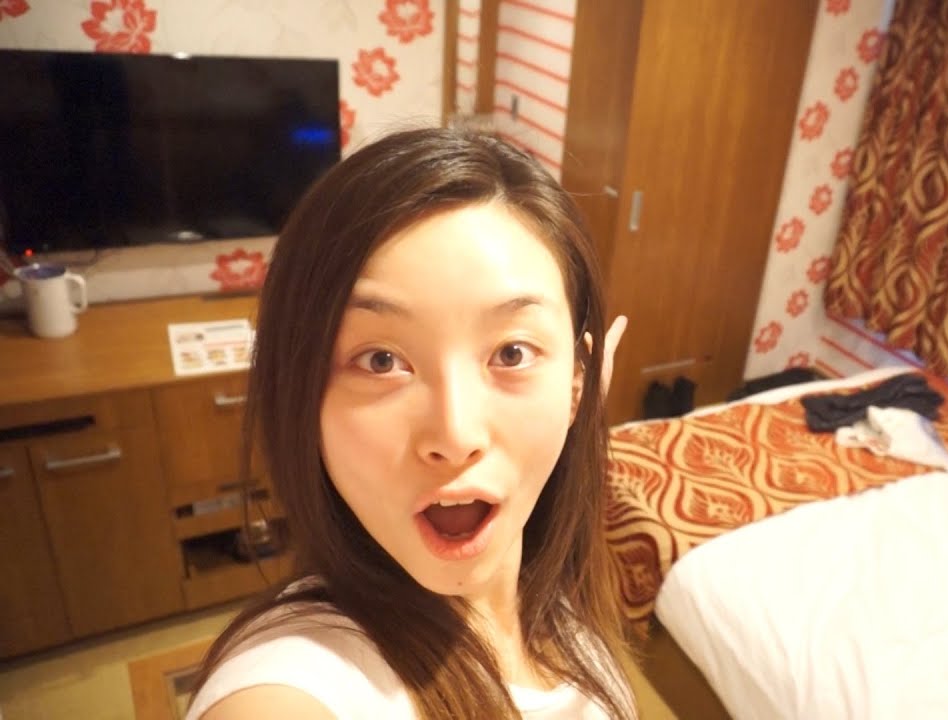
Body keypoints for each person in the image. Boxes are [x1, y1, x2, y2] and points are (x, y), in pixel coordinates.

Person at [185, 127, 635, 719]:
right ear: (299, 394)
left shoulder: (557, 594)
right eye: (380, 361)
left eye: (512, 353)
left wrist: (578, 415)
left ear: (578, 381)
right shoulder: (291, 688)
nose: (456, 436)